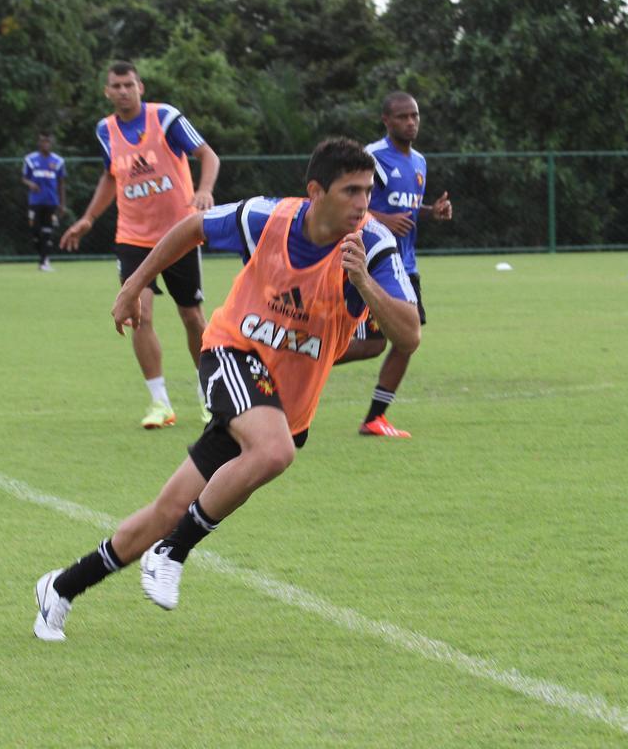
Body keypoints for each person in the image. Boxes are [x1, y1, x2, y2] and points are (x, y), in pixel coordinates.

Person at [33, 137, 420, 641]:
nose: (363, 203)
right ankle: (174, 550)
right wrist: (133, 285)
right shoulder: (268, 218)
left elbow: (409, 334)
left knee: (168, 509)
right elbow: (192, 226)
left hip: (279, 399)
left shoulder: (373, 248)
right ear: (316, 191)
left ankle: (60, 588)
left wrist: (364, 283)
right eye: (350, 191)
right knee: (275, 451)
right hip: (229, 353)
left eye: (368, 191)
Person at [59, 60, 221, 429]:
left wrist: (205, 190)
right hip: (132, 237)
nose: (122, 91)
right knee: (138, 314)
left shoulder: (165, 118)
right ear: (107, 91)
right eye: (115, 86)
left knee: (192, 316)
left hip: (179, 232)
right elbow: (109, 176)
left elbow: (208, 155)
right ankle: (160, 403)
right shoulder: (105, 130)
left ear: (140, 87)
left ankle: (208, 396)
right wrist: (88, 218)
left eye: (128, 84)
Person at [336, 92, 452, 438]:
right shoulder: (373, 157)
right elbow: (345, 202)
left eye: (415, 115)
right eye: (403, 117)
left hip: (407, 266)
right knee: (376, 345)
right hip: (377, 265)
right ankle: (298, 358)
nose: (411, 122)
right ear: (386, 120)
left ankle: (375, 418)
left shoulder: (419, 162)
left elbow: (407, 210)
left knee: (404, 341)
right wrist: (384, 219)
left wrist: (432, 212)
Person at [21, 131, 66, 271]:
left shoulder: (58, 161)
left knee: (47, 232)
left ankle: (44, 261)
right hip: (35, 201)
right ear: (39, 143)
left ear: (51, 143)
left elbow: (61, 183)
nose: (45, 144)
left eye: (47, 141)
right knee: (35, 232)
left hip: (51, 202)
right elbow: (24, 178)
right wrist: (30, 184)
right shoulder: (30, 159)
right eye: (42, 141)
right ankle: (42, 258)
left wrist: (62, 204)